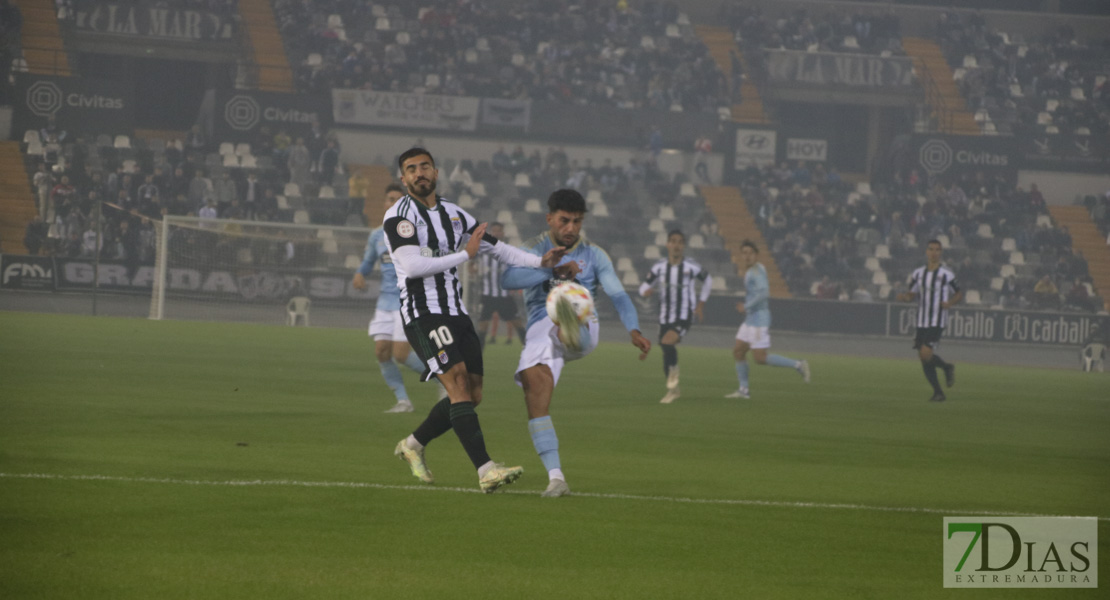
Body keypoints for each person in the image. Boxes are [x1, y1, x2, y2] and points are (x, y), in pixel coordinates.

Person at [385, 148, 567, 493]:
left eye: (425, 166)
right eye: (411, 169)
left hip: (456, 311)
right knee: (456, 383)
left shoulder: (454, 213)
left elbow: (496, 247)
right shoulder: (399, 217)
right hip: (423, 312)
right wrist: (463, 254)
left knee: (472, 393)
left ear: (436, 172)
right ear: (404, 178)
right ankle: (485, 470)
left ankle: (413, 444)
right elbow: (411, 266)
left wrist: (540, 263)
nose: (419, 173)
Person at [502, 189, 652, 497]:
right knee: (534, 392)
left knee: (566, 300)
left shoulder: (595, 255)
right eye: (564, 221)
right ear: (550, 219)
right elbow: (508, 279)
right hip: (541, 332)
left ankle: (566, 314)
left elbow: (620, 295)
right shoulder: (533, 248)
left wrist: (633, 330)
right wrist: (550, 269)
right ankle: (556, 477)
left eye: (577, 222)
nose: (571, 228)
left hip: (584, 323)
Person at [353, 183, 446, 413]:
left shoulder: (416, 232)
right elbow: (368, 262)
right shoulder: (377, 235)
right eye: (389, 199)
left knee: (401, 354)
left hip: (409, 300)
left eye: (397, 199)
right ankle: (403, 401)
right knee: (382, 351)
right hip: (385, 301)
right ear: (384, 203)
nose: (392, 203)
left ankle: (445, 380)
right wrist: (359, 274)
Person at [728, 240, 810, 399]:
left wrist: (746, 305)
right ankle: (744, 390)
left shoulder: (756, 272)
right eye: (744, 253)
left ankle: (798, 364)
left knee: (760, 358)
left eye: (750, 253)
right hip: (750, 319)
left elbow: (764, 293)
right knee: (738, 351)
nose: (747, 256)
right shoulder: (753, 270)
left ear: (756, 255)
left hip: (759, 320)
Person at [638, 229, 712, 404]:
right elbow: (643, 287)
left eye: (680, 242)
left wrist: (700, 305)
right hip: (664, 317)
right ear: (667, 244)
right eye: (673, 241)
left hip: (684, 315)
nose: (676, 245)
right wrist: (646, 292)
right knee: (665, 351)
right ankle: (673, 390)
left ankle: (675, 372)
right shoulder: (659, 267)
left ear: (683, 246)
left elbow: (708, 280)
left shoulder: (691, 267)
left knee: (667, 342)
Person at [896, 239, 962, 402]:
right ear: (926, 252)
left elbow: (959, 293)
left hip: (937, 320)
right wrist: (904, 298)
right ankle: (938, 392)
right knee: (923, 357)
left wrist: (949, 303)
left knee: (926, 352)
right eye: (931, 249)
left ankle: (947, 367)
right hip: (922, 320)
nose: (934, 252)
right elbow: (912, 294)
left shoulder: (946, 274)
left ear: (940, 253)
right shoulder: (918, 273)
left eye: (937, 250)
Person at [473, 222, 526, 349]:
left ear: (503, 233)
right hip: (487, 294)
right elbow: (471, 259)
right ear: (491, 233)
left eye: (499, 231)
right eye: (494, 230)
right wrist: (472, 268)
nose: (497, 233)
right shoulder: (482, 248)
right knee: (482, 326)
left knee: (518, 323)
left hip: (504, 295)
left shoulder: (508, 250)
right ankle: (477, 356)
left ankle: (532, 352)